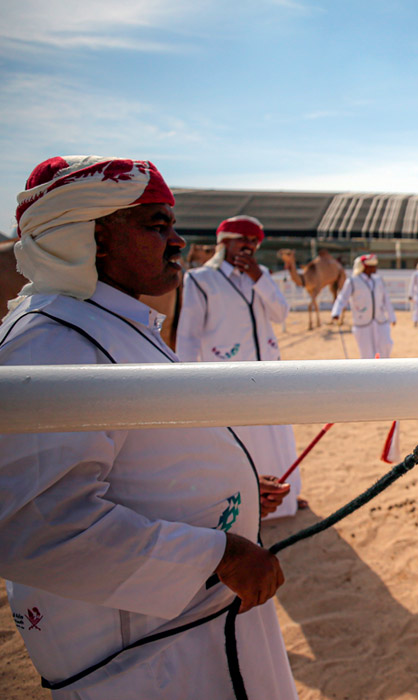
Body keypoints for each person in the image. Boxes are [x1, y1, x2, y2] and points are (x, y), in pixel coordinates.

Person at [0, 155, 295, 699]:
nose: (179, 242)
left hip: (188, 624)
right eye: (157, 226)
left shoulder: (105, 323)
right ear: (89, 238)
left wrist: (236, 495)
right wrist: (222, 553)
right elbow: (39, 527)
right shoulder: (50, 343)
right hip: (145, 653)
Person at [175, 215, 303, 519]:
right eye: (241, 240)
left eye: (253, 242)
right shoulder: (200, 280)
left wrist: (260, 279)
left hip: (270, 373)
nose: (247, 247)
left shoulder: (262, 276)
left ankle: (288, 496)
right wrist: (183, 379)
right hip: (229, 376)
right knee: (243, 439)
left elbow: (280, 313)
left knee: (277, 436)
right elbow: (189, 335)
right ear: (223, 243)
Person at [331, 253, 396, 358]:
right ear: (365, 267)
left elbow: (386, 300)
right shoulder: (352, 281)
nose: (375, 267)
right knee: (367, 353)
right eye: (372, 266)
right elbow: (342, 298)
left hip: (380, 321)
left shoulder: (378, 280)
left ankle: (383, 370)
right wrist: (336, 312)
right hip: (362, 323)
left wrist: (392, 317)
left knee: (386, 345)